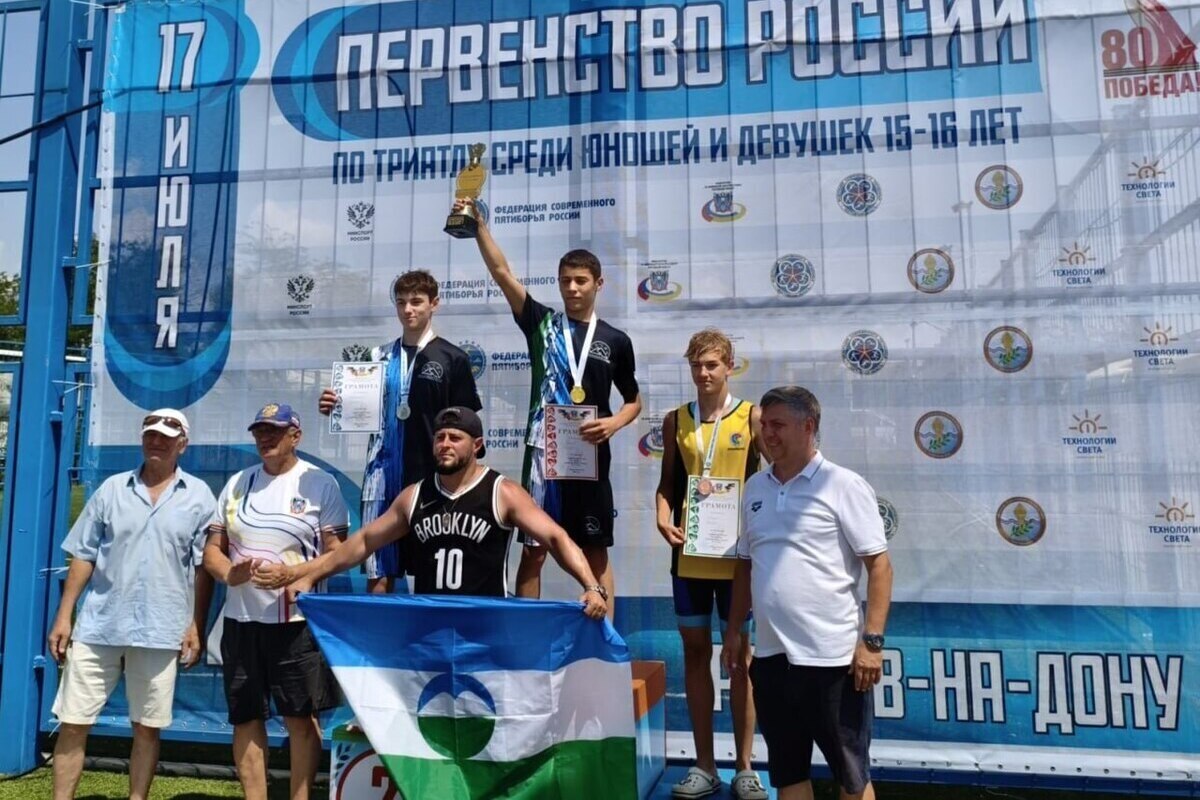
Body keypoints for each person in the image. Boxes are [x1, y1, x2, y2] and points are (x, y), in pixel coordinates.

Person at [458, 199, 641, 614]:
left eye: (580, 281)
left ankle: (605, 639)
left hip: (590, 455)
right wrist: (480, 226)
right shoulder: (541, 323)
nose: (572, 288)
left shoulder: (615, 340)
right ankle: (529, 636)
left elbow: (634, 401)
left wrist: (613, 423)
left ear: (598, 283)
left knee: (595, 551)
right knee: (534, 549)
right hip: (544, 454)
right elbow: (502, 273)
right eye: (565, 281)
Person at [252, 407, 608, 620]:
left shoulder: (502, 492)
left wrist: (592, 587)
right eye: (440, 437)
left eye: (455, 437)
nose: (445, 444)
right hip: (429, 624)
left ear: (477, 445)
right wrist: (305, 575)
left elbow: (556, 537)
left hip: (485, 624)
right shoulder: (415, 496)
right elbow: (362, 543)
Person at [721, 387, 893, 800]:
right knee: (788, 774)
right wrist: (733, 631)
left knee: (852, 778)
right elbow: (745, 565)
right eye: (764, 425)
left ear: (808, 426)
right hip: (771, 658)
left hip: (833, 661)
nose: (767, 434)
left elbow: (880, 566)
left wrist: (871, 642)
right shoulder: (755, 488)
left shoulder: (843, 485)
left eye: (778, 424)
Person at [47, 409, 216, 800]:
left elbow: (202, 570)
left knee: (147, 727)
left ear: (182, 444)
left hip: (162, 628)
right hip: (99, 625)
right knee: (73, 721)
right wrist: (64, 615)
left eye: (166, 437)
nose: (156, 442)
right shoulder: (111, 490)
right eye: (150, 435)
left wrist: (195, 624)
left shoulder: (200, 497)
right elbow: (84, 555)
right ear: (142, 439)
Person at [204, 403, 349, 800]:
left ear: (295, 436)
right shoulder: (238, 482)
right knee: (245, 717)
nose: (265, 438)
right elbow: (212, 551)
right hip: (241, 620)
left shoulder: (320, 483)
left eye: (275, 431)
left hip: (295, 623)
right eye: (259, 431)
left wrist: (295, 575)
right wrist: (229, 573)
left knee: (300, 718)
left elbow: (340, 552)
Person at [319, 269, 481, 594]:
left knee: (432, 572)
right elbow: (358, 409)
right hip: (383, 474)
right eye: (401, 302)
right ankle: (377, 629)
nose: (408, 309)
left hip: (432, 478)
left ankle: (428, 630)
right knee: (378, 570)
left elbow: (465, 424)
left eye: (416, 301)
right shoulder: (376, 358)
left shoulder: (453, 358)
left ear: (434, 303)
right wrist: (336, 405)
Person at [655, 330, 766, 800]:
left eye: (712, 365)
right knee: (696, 652)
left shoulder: (752, 417)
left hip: (738, 558)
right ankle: (704, 764)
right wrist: (662, 516)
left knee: (741, 658)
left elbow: (770, 480)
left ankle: (745, 767)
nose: (703, 373)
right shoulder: (675, 420)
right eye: (697, 365)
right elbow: (667, 484)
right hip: (691, 555)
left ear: (729, 367)